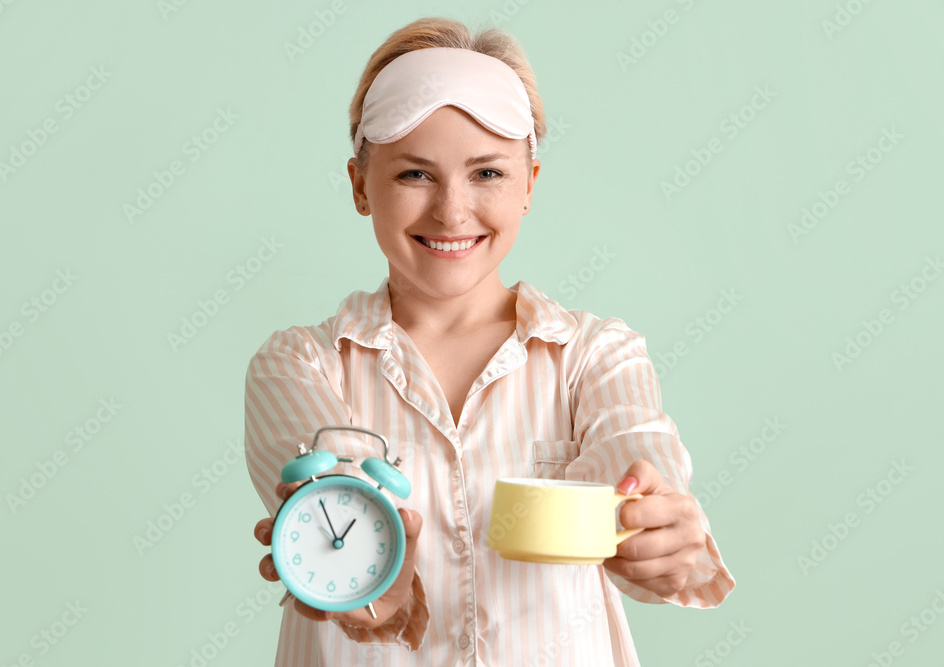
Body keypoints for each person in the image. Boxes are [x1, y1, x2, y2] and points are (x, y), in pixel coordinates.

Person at [245, 16, 735, 666]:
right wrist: (378, 596)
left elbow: (636, 447)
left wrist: (660, 527)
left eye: (488, 174)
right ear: (361, 183)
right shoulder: (301, 365)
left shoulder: (596, 355)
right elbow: (333, 510)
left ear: (530, 181)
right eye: (415, 174)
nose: (452, 211)